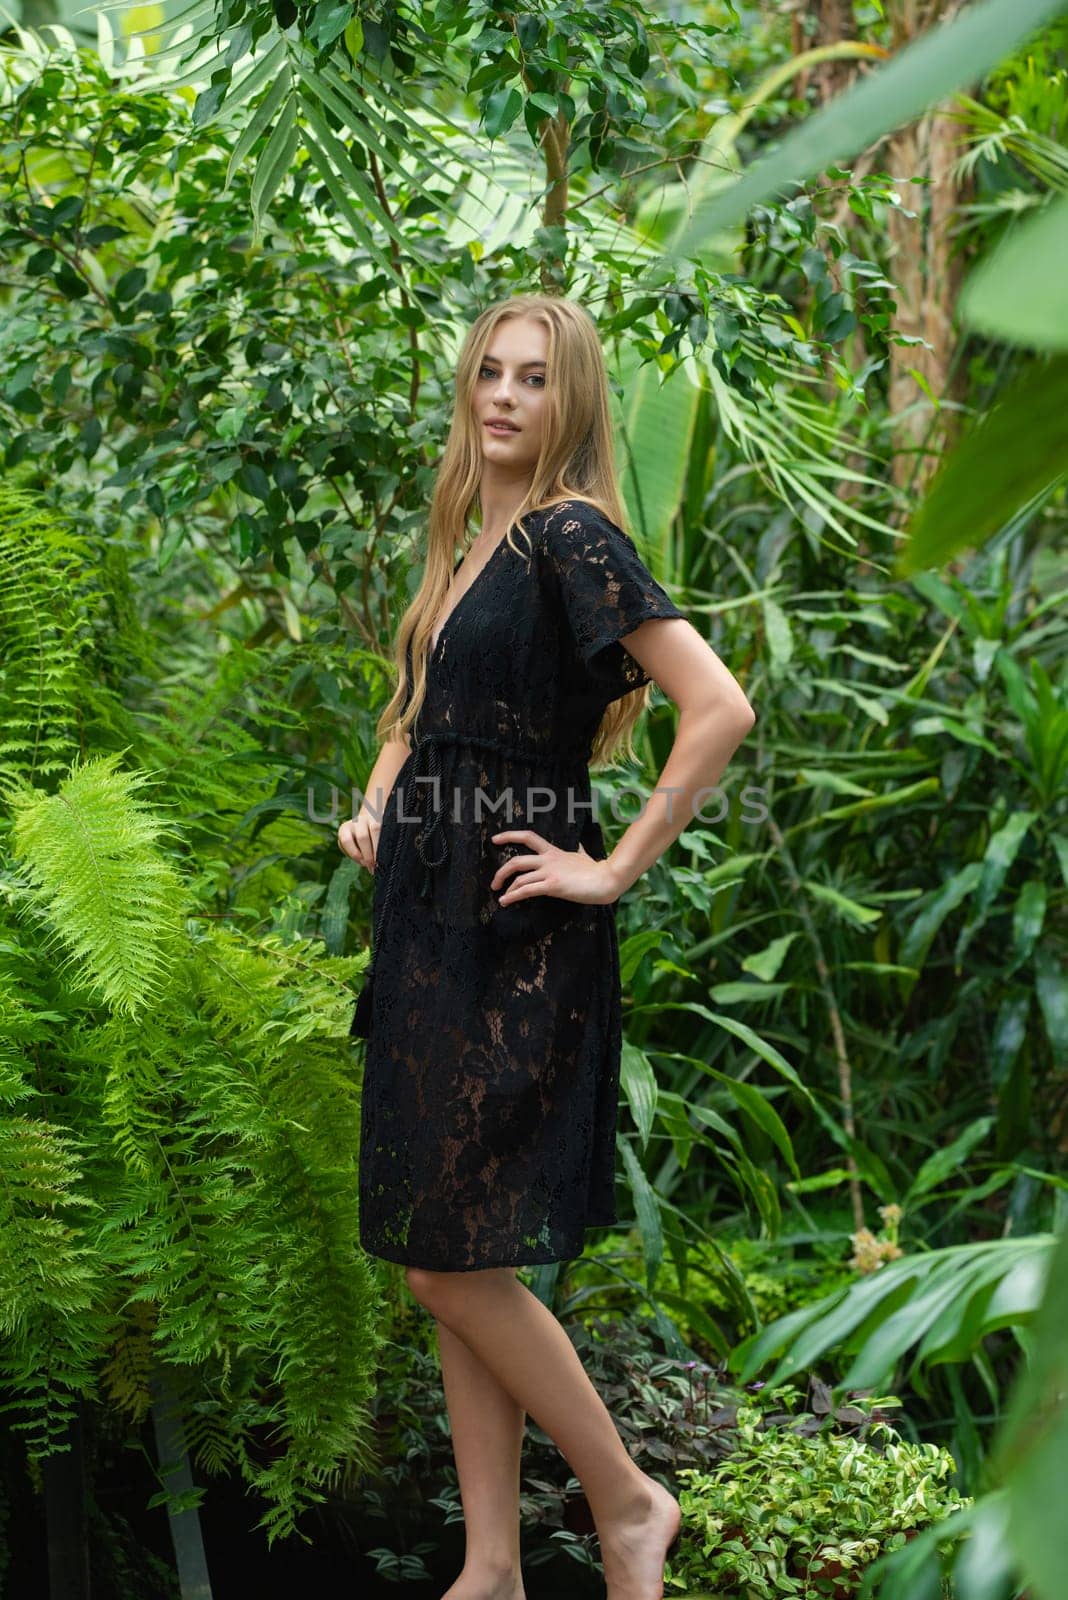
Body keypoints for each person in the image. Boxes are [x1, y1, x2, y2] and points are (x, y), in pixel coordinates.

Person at [338, 293, 755, 1600]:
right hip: (431, 926)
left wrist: (614, 867)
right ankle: (494, 1566)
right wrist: (376, 799)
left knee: (443, 1262)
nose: (502, 396)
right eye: (486, 374)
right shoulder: (471, 541)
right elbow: (423, 703)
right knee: (459, 1249)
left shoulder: (572, 536)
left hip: (515, 934)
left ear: (569, 400)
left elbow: (718, 707)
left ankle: (630, 1502)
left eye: (531, 378)